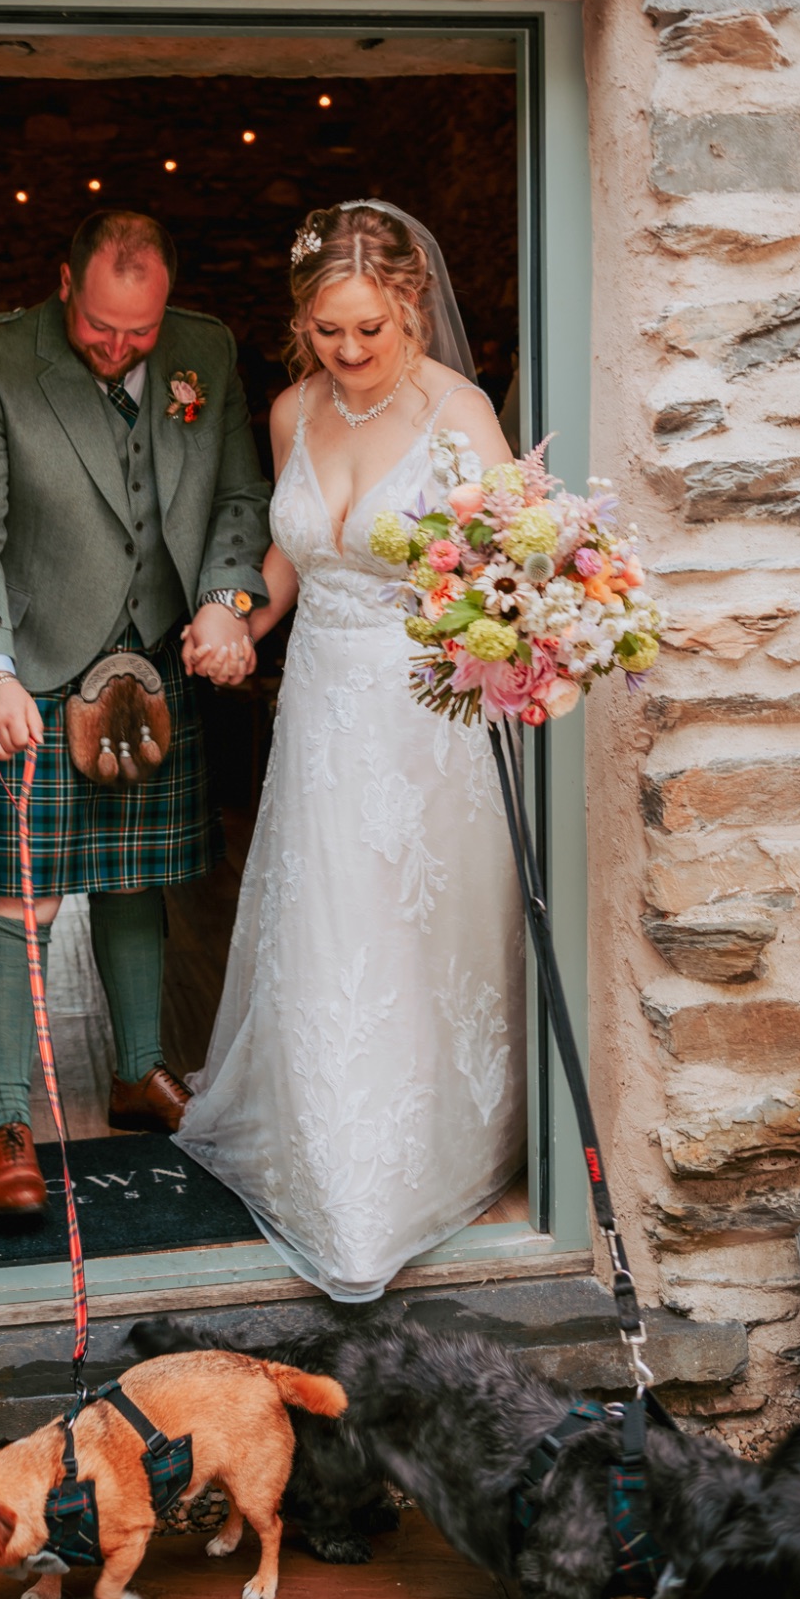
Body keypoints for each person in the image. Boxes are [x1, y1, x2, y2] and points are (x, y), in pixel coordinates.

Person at [177, 201, 526, 1302]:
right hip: (320, 717)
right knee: (324, 930)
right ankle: (331, 1166)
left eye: (369, 327)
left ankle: (418, 1166)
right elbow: (293, 564)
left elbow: (516, 567)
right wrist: (237, 617)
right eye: (328, 330)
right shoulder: (290, 412)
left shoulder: (459, 411)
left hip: (426, 723)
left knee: (408, 937)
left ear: (411, 303)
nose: (350, 350)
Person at [0, 211, 270, 1215]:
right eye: (103, 327)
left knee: (136, 875)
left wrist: (225, 597)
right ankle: (7, 1120)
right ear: (64, 283)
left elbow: (243, 497)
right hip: (28, 659)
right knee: (20, 897)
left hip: (154, 655)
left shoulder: (204, 346)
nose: (123, 348)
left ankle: (139, 1070)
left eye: (141, 332)